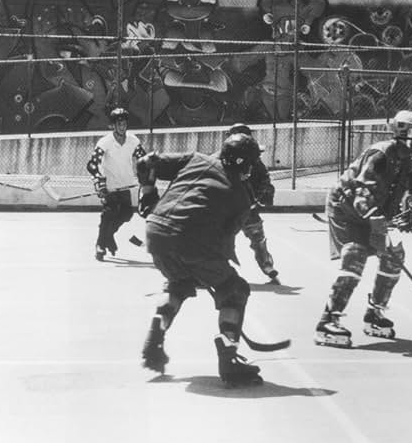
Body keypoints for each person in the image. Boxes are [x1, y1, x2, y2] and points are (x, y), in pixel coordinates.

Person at [138, 133, 265, 386]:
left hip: (156, 232)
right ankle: (229, 359)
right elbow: (223, 245)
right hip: (192, 241)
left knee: (179, 283)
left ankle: (158, 326)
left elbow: (145, 163)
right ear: (244, 164)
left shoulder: (195, 159)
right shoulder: (241, 197)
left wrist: (149, 193)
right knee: (235, 290)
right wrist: (212, 276)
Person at [315, 110, 412, 348]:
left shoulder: (408, 160)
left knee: (393, 258)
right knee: (355, 255)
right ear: (403, 132)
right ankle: (327, 320)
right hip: (346, 210)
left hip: (372, 214)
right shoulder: (381, 155)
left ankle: (375, 314)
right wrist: (377, 223)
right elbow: (361, 195)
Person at [86, 107, 147, 261]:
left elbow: (143, 159)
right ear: (113, 125)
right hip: (111, 187)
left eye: (124, 123)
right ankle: (100, 245)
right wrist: (99, 181)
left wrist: (147, 173)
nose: (122, 126)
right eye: (119, 123)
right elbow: (92, 164)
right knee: (109, 214)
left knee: (126, 214)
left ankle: (108, 236)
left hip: (126, 184)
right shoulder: (105, 142)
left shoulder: (133, 141)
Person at [228, 123, 280, 284]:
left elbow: (264, 180)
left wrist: (258, 198)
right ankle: (213, 269)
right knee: (224, 239)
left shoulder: (253, 159)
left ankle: (267, 266)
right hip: (232, 207)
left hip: (244, 207)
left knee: (257, 238)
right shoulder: (228, 157)